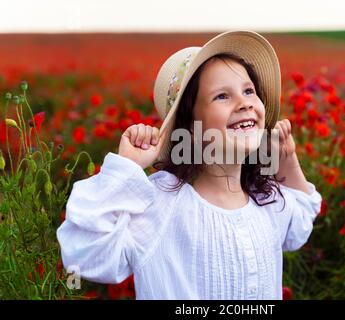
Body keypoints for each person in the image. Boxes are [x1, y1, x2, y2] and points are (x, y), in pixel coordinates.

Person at [57, 30, 323, 299]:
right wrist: (128, 168)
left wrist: (287, 160)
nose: (244, 103)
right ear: (190, 127)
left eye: (248, 90)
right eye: (222, 96)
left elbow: (299, 222)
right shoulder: (160, 205)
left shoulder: (265, 199)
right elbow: (87, 253)